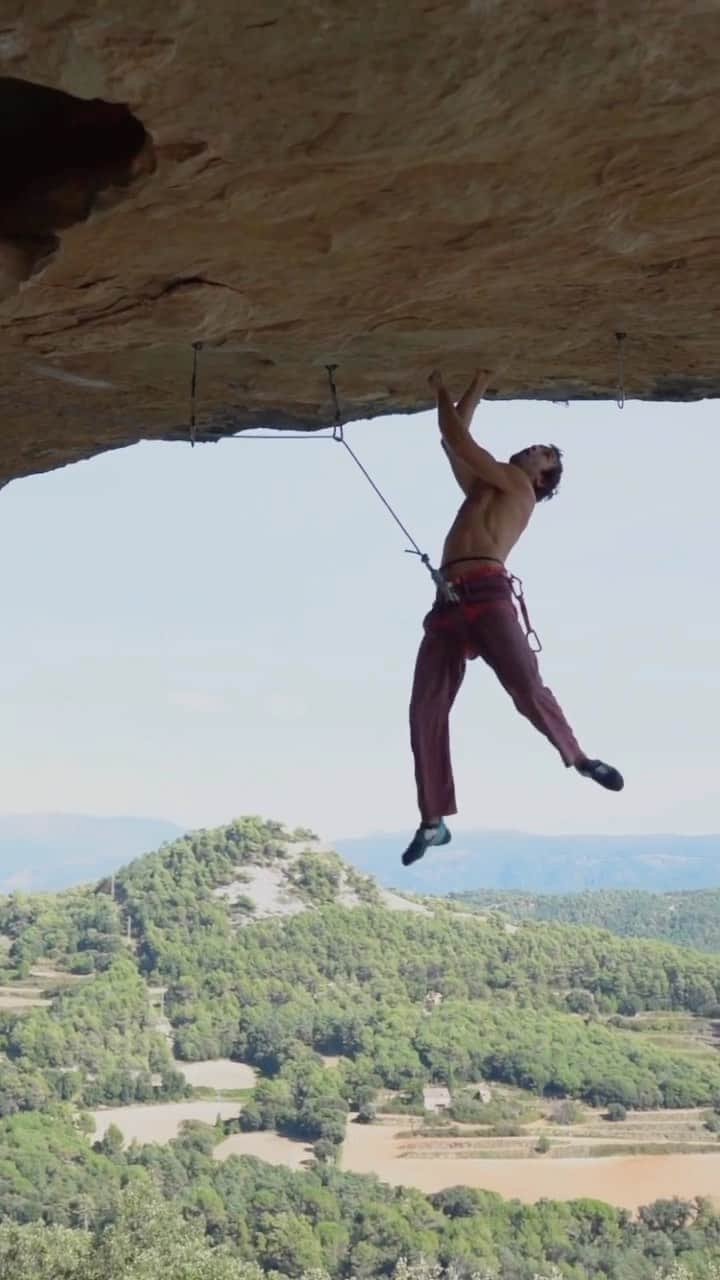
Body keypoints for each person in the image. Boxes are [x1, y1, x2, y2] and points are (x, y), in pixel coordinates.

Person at [402, 368, 624, 867]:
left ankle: (580, 757)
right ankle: (432, 820)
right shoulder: (484, 488)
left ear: (542, 478)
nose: (533, 449)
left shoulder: (517, 487)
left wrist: (443, 386)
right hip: (448, 602)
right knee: (425, 710)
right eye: (539, 446)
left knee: (526, 687)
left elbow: (459, 437)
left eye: (544, 453)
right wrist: (475, 381)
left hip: (487, 592)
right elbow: (451, 441)